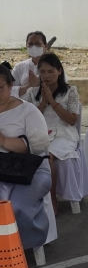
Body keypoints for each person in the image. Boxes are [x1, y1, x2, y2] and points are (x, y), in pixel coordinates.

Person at [0, 65, 51, 250]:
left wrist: (4, 140)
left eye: (0, 88)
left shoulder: (27, 110)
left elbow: (39, 145)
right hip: (2, 171)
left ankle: (22, 247)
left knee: (16, 206)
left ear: (11, 85)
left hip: (32, 170)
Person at [24, 53, 81, 212]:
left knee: (47, 156)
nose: (46, 76)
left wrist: (52, 102)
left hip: (64, 134)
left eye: (50, 71)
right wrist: (43, 101)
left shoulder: (71, 91)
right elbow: (31, 120)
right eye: (42, 72)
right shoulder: (31, 93)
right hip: (40, 133)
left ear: (59, 71)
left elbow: (72, 120)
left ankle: (52, 200)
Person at [14, 31, 49, 97]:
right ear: (26, 46)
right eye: (30, 44)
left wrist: (39, 84)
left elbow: (61, 87)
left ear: (45, 46)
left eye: (38, 43)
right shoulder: (19, 67)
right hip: (23, 104)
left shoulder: (53, 66)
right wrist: (28, 86)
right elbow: (11, 90)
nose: (34, 47)